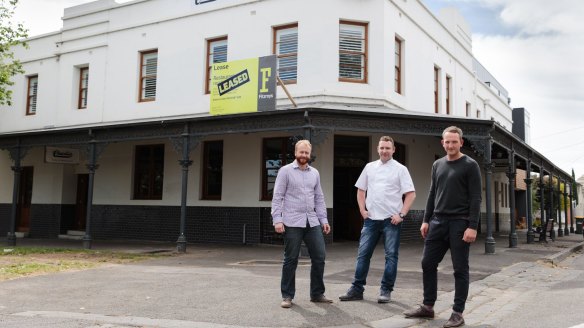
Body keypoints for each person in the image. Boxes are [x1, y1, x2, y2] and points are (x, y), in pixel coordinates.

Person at [404, 126, 482, 328]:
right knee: (427, 263)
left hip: (460, 223)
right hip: (437, 222)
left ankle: (458, 313)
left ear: (461, 143)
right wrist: (425, 219)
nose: (450, 145)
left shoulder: (470, 165)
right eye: (447, 142)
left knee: (460, 269)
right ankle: (428, 307)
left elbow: (476, 198)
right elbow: (432, 194)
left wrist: (472, 226)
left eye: (454, 142)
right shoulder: (437, 164)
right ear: (442, 143)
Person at [339, 136, 416, 303]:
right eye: (382, 148)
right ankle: (356, 289)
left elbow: (411, 194)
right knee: (363, 255)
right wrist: (362, 210)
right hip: (371, 220)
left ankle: (386, 290)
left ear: (393, 150)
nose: (384, 151)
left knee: (391, 256)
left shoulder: (400, 169)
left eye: (388, 148)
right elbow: (361, 190)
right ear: (377, 149)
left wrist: (401, 214)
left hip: (391, 220)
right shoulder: (369, 167)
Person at [271, 139, 332, 309]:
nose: (304, 155)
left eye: (306, 153)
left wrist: (324, 220)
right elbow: (278, 197)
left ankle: (317, 293)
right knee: (291, 259)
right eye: (301, 152)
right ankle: (287, 295)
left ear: (310, 154)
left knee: (319, 257)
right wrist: (277, 219)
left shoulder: (315, 173)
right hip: (292, 221)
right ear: (295, 152)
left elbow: (319, 198)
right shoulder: (285, 171)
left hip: (312, 221)